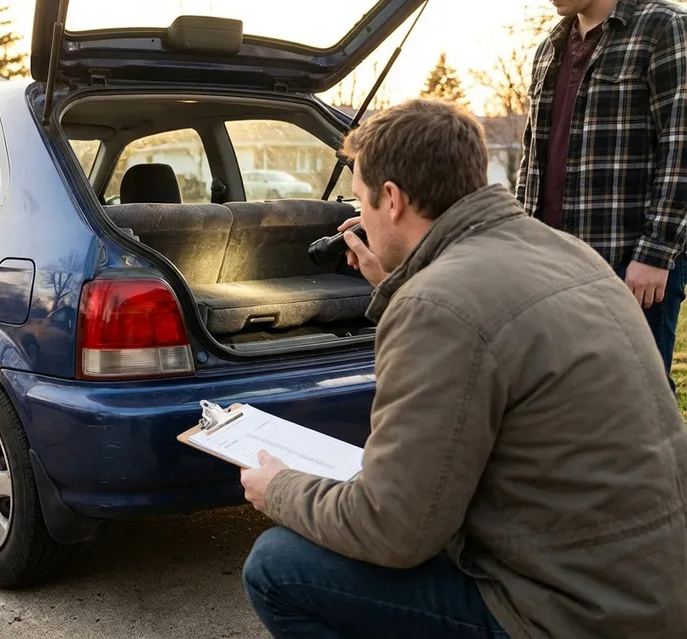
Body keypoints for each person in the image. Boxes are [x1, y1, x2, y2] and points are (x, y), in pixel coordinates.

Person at [239, 98, 687, 638]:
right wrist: (399, 284)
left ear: (391, 199)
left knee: (278, 564)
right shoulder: (566, 251)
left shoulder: (437, 306)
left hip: (570, 616)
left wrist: (281, 488)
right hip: (649, 591)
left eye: (359, 200)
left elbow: (394, 533)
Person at [516, 0, 687, 380]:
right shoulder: (550, 46)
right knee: (565, 406)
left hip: (629, 268)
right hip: (551, 266)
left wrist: (655, 253)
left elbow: (681, 149)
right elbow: (533, 162)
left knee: (635, 409)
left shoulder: (665, 27)